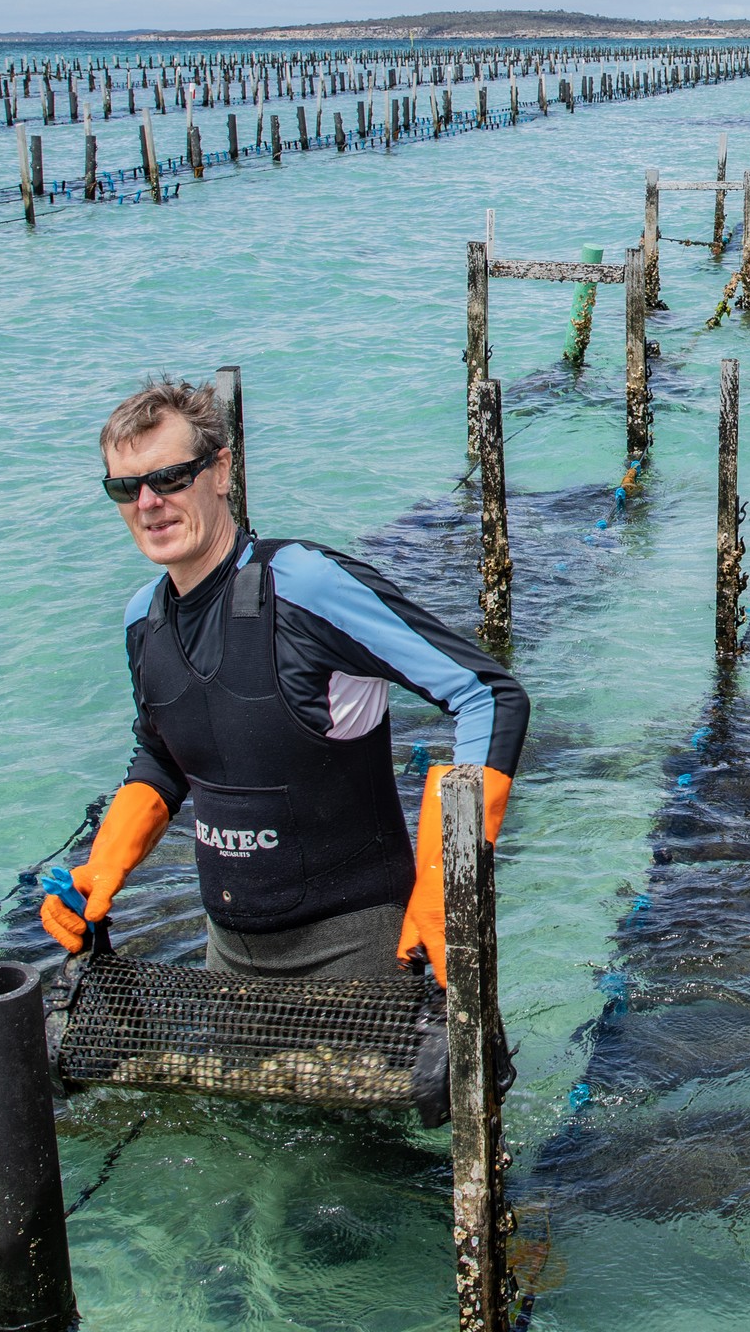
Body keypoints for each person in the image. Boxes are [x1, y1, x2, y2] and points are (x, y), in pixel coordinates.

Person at [40, 379, 529, 982]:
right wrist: (102, 867)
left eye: (170, 478)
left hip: (360, 953)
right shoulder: (145, 617)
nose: (148, 502)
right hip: (228, 959)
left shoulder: (304, 585)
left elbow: (487, 694)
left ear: (220, 470)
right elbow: (161, 756)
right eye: (126, 487)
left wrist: (445, 879)